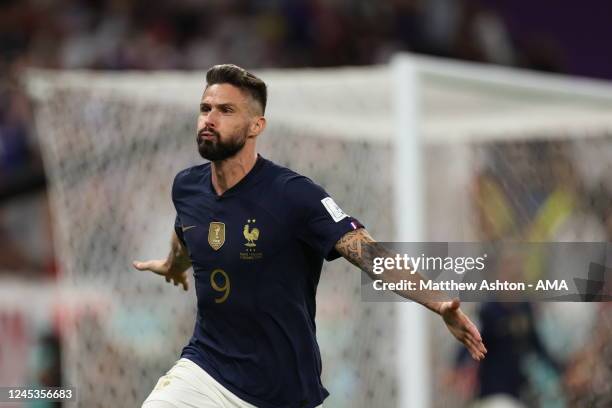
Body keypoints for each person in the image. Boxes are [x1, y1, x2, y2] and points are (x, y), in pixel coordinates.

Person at [133, 64, 486, 408]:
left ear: (256, 125)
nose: (209, 119)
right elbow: (186, 230)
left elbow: (371, 255)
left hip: (284, 391)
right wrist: (173, 264)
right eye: (205, 108)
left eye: (225, 110)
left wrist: (437, 303)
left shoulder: (294, 195)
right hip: (205, 372)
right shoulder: (187, 186)